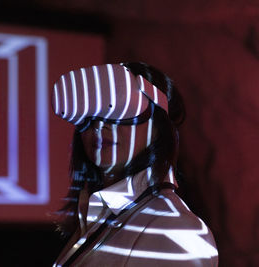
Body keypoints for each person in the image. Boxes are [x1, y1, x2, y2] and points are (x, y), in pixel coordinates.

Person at [51, 62, 218, 266]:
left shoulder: (175, 231)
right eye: (90, 114)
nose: (100, 125)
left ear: (159, 124)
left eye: (120, 109)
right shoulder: (93, 218)